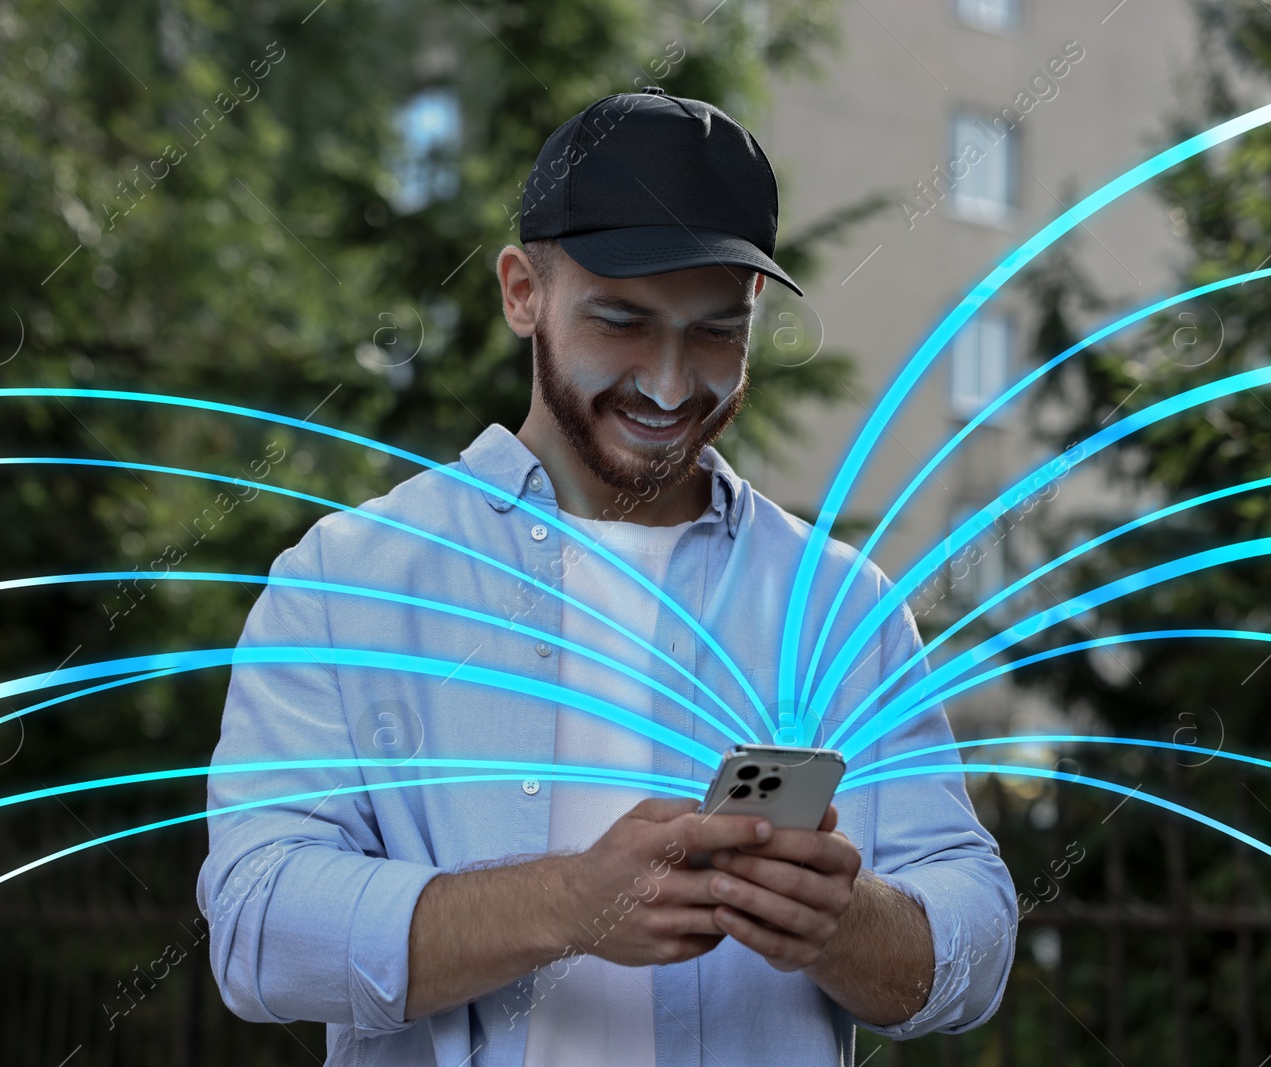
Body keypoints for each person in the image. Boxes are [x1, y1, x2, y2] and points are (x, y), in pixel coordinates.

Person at [197, 87, 1016, 1066]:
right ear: (520, 292)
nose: (670, 384)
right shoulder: (349, 582)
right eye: (621, 321)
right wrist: (566, 902)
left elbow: (973, 938)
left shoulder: (838, 604)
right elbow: (255, 928)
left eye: (714, 331)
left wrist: (841, 919)